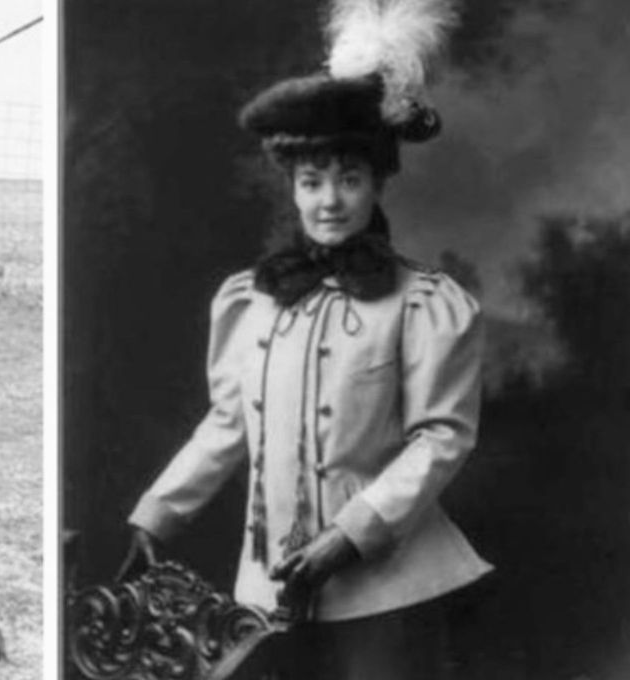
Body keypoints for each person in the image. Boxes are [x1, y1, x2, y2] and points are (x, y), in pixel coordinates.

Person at [118, 1, 491, 678]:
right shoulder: (250, 301)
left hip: (386, 586)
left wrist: (349, 537)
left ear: (378, 183)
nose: (329, 200)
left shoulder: (424, 304)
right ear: (290, 187)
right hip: (267, 585)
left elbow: (442, 437)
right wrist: (157, 516)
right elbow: (229, 422)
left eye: (349, 179)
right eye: (311, 181)